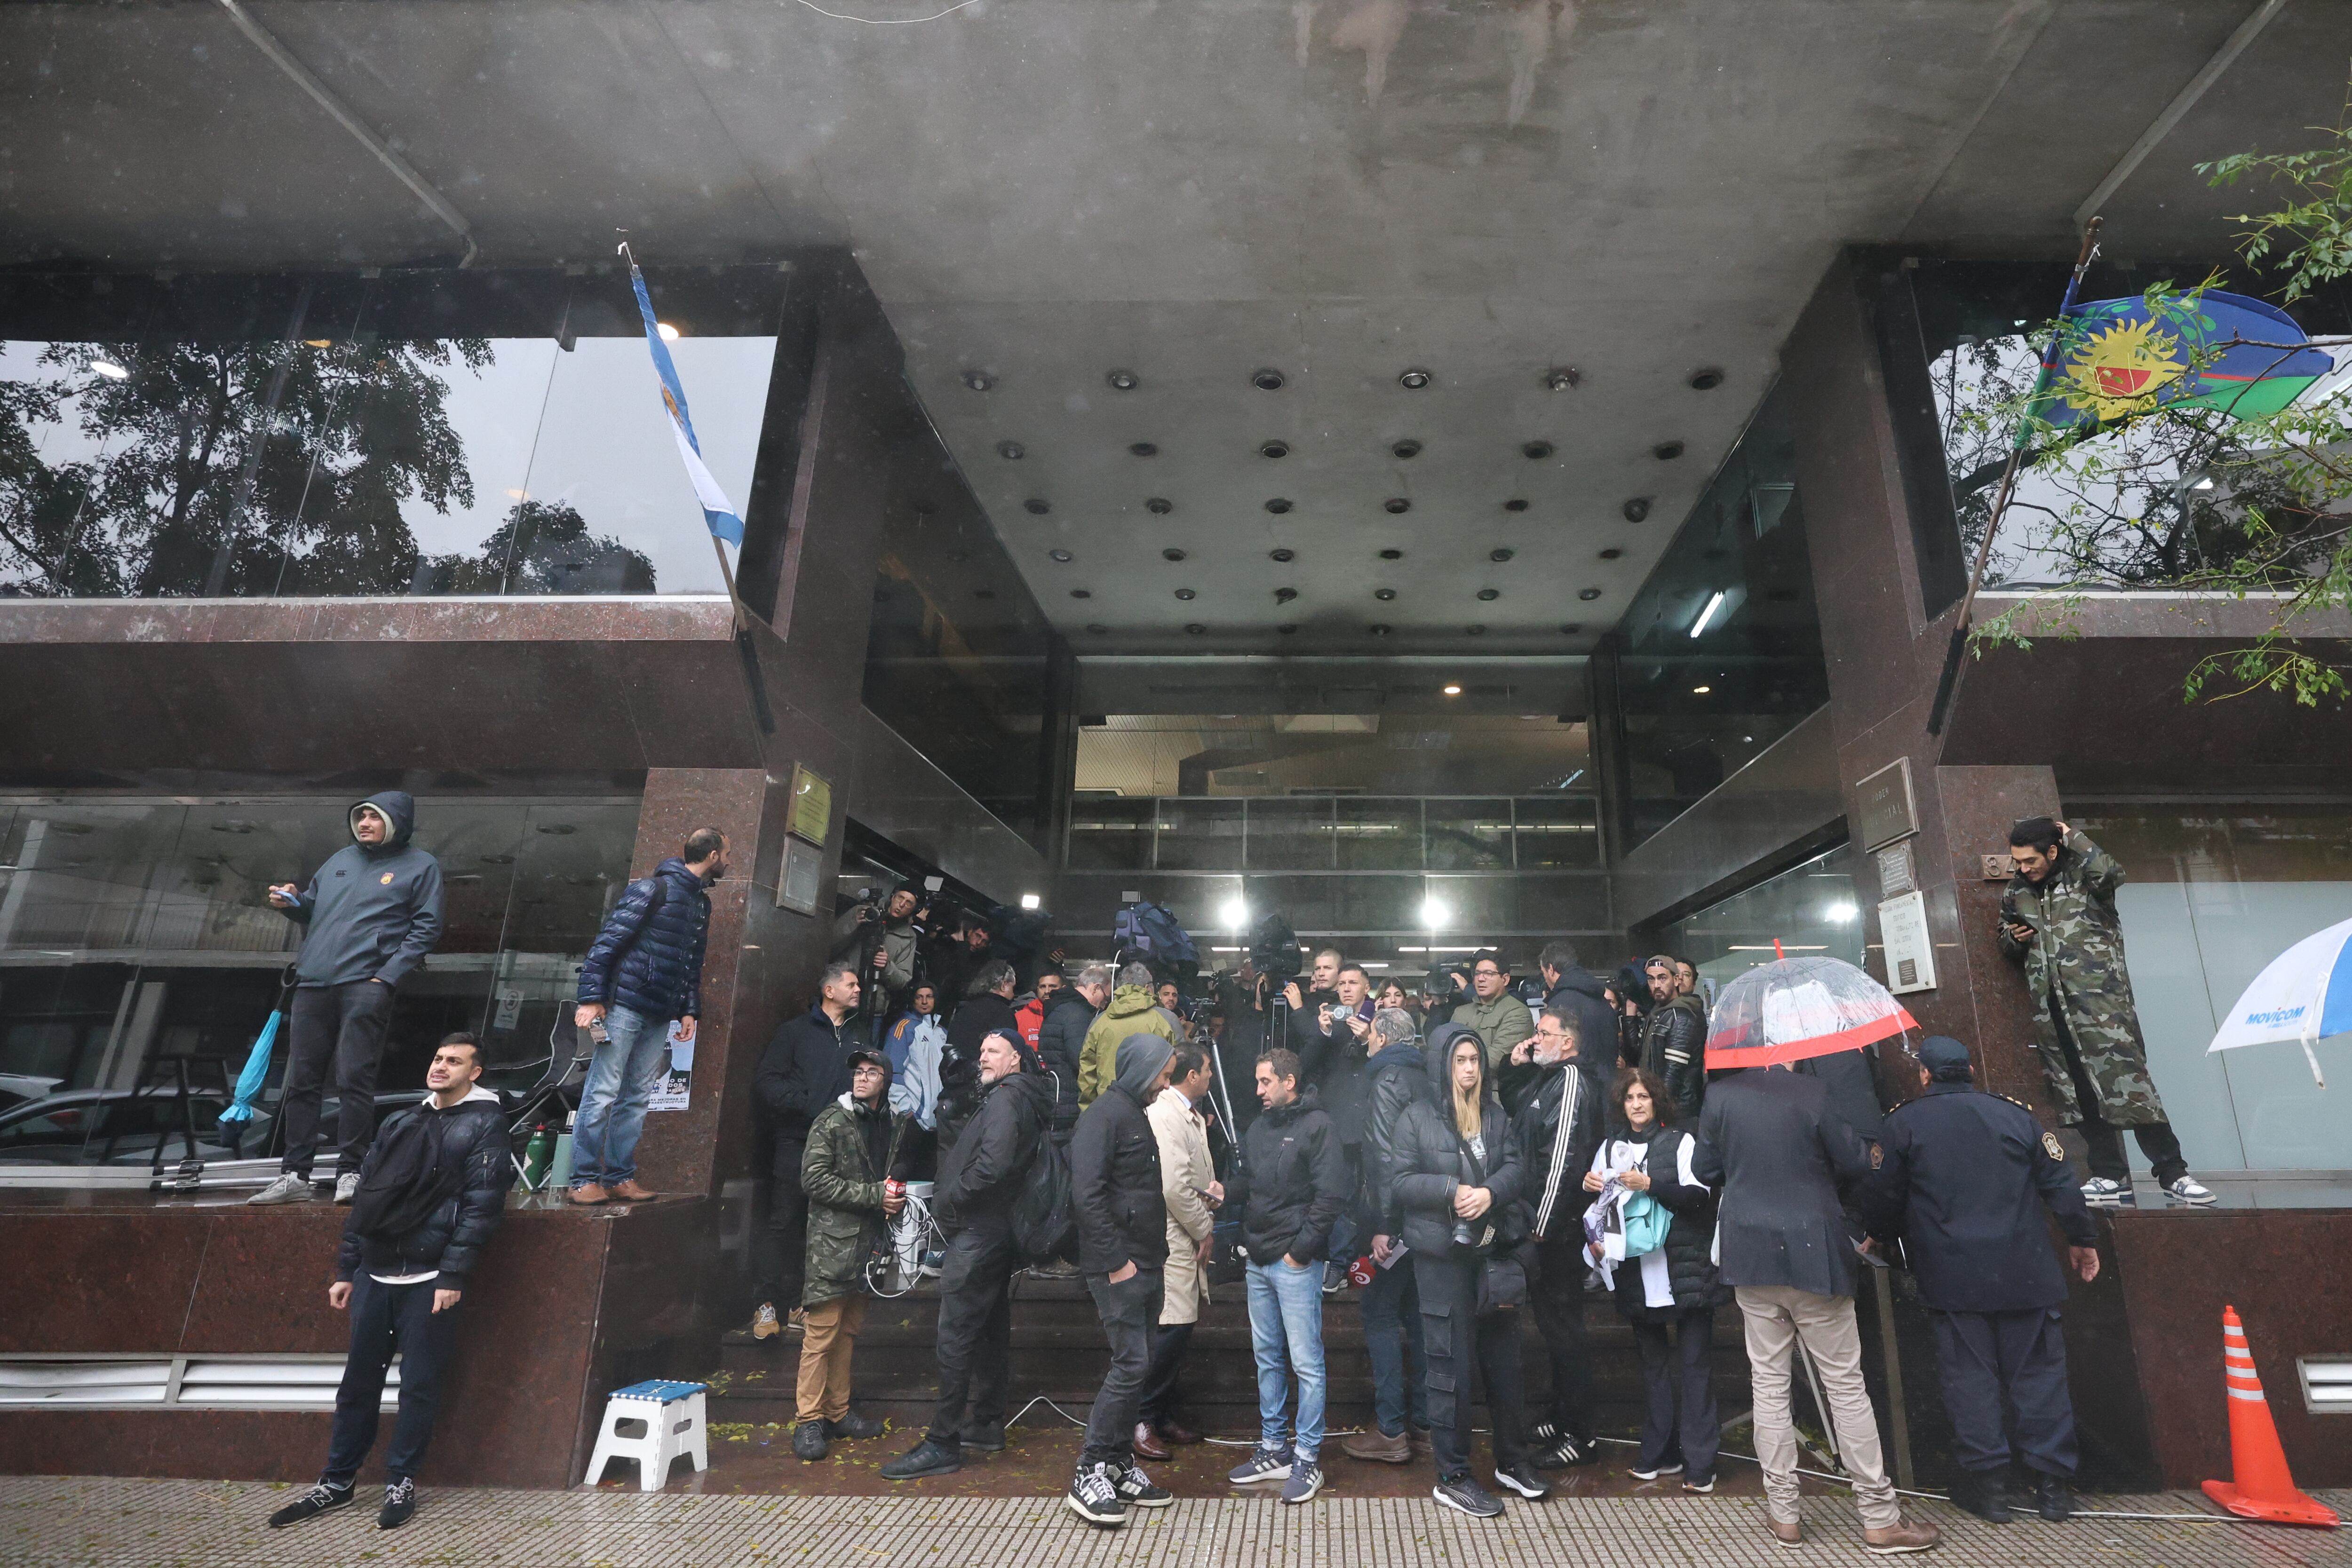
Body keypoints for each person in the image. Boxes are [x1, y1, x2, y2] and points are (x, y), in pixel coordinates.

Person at [1692, 1064, 1939, 1553]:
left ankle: (1784, 1512)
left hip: (1750, 1254)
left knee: (1767, 1384)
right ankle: (1878, 1517)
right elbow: (1853, 1160)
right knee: (1845, 1386)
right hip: (1813, 1253)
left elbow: (1704, 1170)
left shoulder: (1720, 1096)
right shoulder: (1811, 1092)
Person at [265, 1034, 506, 1533]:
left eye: (454, 1061)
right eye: (438, 1058)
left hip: (430, 1279)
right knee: (358, 1385)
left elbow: (483, 1206)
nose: (440, 1066)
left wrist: (453, 1274)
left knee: (418, 1385)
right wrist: (346, 1270)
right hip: (375, 1274)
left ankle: (402, 1480)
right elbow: (367, 1201)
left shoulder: (486, 1124)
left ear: (475, 1073)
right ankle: (336, 1481)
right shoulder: (402, 1119)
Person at [1861, 1036, 2100, 1525]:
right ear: (1969, 1069)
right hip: (2024, 1272)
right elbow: (2061, 1183)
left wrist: (1879, 1236)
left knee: (1968, 1381)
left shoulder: (1903, 1122)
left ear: (1924, 1075)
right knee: (2039, 1379)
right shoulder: (2015, 1115)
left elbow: (1882, 1195)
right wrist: (2081, 1239)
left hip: (1952, 1277)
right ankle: (2052, 1490)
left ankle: (1989, 1489)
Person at [1998, 817, 2214, 1207]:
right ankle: (2109, 1175)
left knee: (2130, 1085)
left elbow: (2112, 872)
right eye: (2018, 862)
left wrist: (2073, 837)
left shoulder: (2085, 877)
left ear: (2052, 851)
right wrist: (2013, 939)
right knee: (2077, 1094)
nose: (2023, 869)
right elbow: (2005, 938)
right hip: (2052, 1010)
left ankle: (2174, 1173)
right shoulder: (2017, 892)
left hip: (2102, 1005)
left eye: (2030, 860)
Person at [249, 793, 445, 1206]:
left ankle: (350, 1171)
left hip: (364, 984)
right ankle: (294, 1175)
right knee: (302, 1082)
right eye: (361, 817)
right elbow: (313, 911)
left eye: (375, 817)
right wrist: (293, 904)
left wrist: (385, 978)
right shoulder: (339, 859)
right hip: (314, 982)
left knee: (353, 1079)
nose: (365, 823)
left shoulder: (421, 866)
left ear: (397, 822)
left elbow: (427, 929)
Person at [1389, 1025, 1550, 1518]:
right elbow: (1397, 1181)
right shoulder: (1415, 1118)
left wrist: (1490, 1194)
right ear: (1443, 1064)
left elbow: (1515, 1167)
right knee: (1449, 1371)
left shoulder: (1496, 1115)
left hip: (1492, 1254)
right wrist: (1447, 1190)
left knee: (1505, 1365)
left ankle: (1511, 1460)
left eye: (1474, 1060)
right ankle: (1452, 1475)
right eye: (1459, 1059)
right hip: (1440, 1262)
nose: (1468, 1068)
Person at [881, 1030, 1050, 1481]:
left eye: (993, 1051)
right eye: (981, 1052)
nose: (982, 1059)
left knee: (955, 1338)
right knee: (991, 1332)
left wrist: (951, 1198)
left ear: (1016, 1059)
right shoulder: (1018, 1096)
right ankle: (987, 1424)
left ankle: (942, 1443)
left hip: (978, 1234)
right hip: (996, 1234)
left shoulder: (1006, 1100)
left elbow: (992, 1166)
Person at [1581, 1067, 1727, 1492]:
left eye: (1644, 1096)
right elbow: (1598, 1213)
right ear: (1621, 1104)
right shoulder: (1610, 1147)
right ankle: (1660, 1453)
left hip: (1687, 1271)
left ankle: (1701, 1463)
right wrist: (1591, 1187)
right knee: (1653, 1367)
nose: (1637, 1104)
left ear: (1657, 1101)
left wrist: (1651, 1184)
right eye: (1630, 1098)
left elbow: (1699, 1197)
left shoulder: (1682, 1141)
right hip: (1636, 1274)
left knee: (1695, 1366)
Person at [566, 829, 725, 1205]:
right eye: (728, 853)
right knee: (603, 1092)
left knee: (638, 1096)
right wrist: (591, 998)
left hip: (660, 1010)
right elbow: (608, 942)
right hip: (623, 1005)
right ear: (714, 856)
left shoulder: (701, 904)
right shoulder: (653, 889)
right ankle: (583, 1179)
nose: (730, 860)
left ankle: (621, 1177)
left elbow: (691, 963)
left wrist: (689, 1009)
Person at [1223, 1047, 1348, 1505]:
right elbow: (1250, 1182)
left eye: (1264, 1082)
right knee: (1268, 1358)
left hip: (1292, 1261)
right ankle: (1274, 1448)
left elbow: (1330, 1196)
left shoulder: (1319, 1126)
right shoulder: (1259, 1127)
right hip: (1257, 1257)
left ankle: (1307, 1457)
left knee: (1306, 1363)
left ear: (1288, 1081)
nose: (1257, 1090)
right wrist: (1223, 1190)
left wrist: (1300, 1252)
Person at [1065, 1033, 1179, 1527]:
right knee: (1130, 1363)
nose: (1166, 1082)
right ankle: (1089, 1468)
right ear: (1140, 1069)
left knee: (1140, 1362)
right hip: (1119, 1265)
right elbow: (1085, 1194)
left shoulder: (1133, 1111)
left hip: (1145, 1261)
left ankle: (1115, 1461)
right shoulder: (1103, 1117)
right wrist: (1116, 1260)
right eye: (1163, 1073)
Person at [791, 1047, 909, 1462]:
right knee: (820, 1335)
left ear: (885, 1081)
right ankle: (809, 1421)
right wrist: (875, 1195)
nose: (861, 1079)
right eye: (858, 1072)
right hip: (832, 1246)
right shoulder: (833, 1120)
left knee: (848, 1333)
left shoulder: (894, 1122)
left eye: (872, 1073)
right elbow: (814, 1179)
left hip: (868, 1245)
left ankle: (838, 1413)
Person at [1505, 1006, 1605, 1469]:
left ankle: (1578, 1434)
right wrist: (1517, 1064)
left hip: (1557, 1233)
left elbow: (1561, 1160)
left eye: (1543, 1033)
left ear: (1568, 1042)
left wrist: (1540, 1226)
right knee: (1553, 1329)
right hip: (1548, 1228)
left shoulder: (1568, 1083)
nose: (1535, 1039)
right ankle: (1560, 1414)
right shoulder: (1546, 1079)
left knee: (1566, 1333)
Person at [749, 962, 866, 1340]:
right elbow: (767, 1081)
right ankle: (766, 1306)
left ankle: (802, 1304)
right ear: (829, 991)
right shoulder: (794, 1033)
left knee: (819, 1225)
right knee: (783, 1220)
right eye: (851, 984)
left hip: (840, 1147)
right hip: (796, 1140)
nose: (858, 989)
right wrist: (808, 1107)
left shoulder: (859, 1037)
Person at [1341, 1007, 1429, 1465]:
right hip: (1427, 1218)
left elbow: (1382, 1155)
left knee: (1379, 1317)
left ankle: (1391, 1429)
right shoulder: (1426, 1075)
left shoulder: (1385, 1078)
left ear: (1379, 1035)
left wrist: (1382, 1226)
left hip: (1393, 1224)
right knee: (1417, 1320)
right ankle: (1427, 1426)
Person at [1138, 1044, 1220, 1458]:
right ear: (1193, 1076)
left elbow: (1193, 1175)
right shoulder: (1167, 1114)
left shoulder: (1185, 1112)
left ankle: (1163, 1413)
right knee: (1170, 1329)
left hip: (1185, 1231)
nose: (1210, 1076)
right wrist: (1204, 1226)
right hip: (1174, 1236)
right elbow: (1173, 1186)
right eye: (1207, 1071)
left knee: (1181, 1325)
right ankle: (1142, 1418)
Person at [939, 958, 1021, 1151]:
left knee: (947, 1169)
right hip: (978, 1105)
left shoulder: (961, 1012)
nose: (1014, 993)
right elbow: (1003, 1063)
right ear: (1003, 985)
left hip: (948, 1101)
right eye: (1012, 987)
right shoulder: (1003, 1014)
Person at [1078, 962, 1177, 1108]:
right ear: (1149, 988)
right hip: (1155, 1109)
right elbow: (1178, 1070)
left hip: (1108, 1108)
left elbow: (1087, 1073)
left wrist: (1089, 1113)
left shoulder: (1099, 1022)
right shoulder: (1166, 1020)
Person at [1039, 964, 1109, 1148]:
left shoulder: (1060, 1007)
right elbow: (1082, 1060)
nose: (1105, 1004)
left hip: (1055, 1098)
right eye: (1106, 997)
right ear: (1095, 988)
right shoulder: (1078, 1015)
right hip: (1069, 1103)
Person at [1536, 941, 1619, 1093]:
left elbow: (1554, 1052)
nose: (1545, 979)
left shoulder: (1560, 1003)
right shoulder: (1602, 1000)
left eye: (1544, 973)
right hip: (1609, 1086)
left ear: (1551, 970)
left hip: (1576, 1087)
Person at [1639, 953, 1708, 1125]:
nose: (1656, 985)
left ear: (1676, 980)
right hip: (1661, 1105)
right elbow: (1641, 1056)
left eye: (1663, 978)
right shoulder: (1658, 1013)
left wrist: (1655, 1110)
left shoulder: (1682, 1016)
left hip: (1677, 1112)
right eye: (1651, 979)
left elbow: (1673, 1074)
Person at [1453, 951, 1534, 1072]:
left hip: (1495, 1088)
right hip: (1459, 1087)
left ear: (1505, 979)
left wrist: (1454, 1064)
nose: (1481, 979)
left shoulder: (1518, 1012)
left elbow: (1497, 1058)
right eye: (1477, 974)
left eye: (1489, 974)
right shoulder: (1461, 1012)